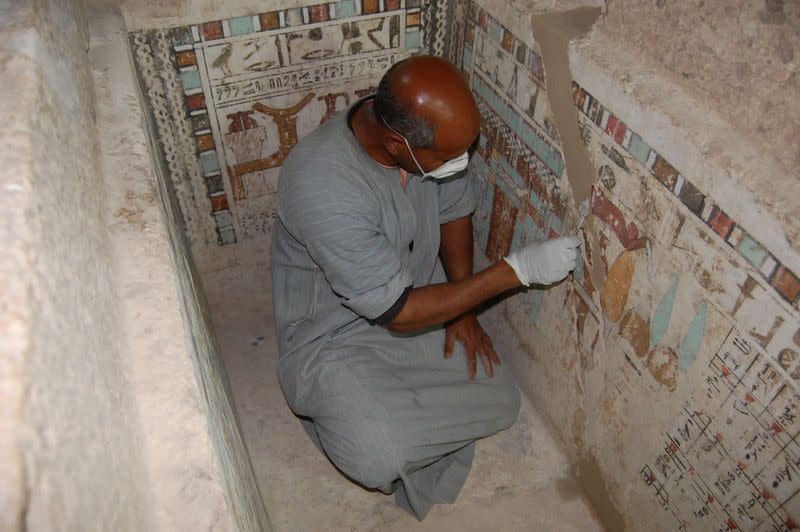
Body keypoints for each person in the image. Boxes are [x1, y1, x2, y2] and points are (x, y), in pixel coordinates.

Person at [270, 55, 580, 520]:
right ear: (398, 145)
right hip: (333, 332)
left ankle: (388, 404)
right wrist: (514, 271)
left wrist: (460, 310)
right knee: (377, 454)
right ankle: (354, 408)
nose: (462, 162)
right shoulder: (322, 182)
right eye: (450, 155)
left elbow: (455, 209)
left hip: (416, 291)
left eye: (466, 150)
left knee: (501, 399)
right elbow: (399, 312)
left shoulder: (430, 142)